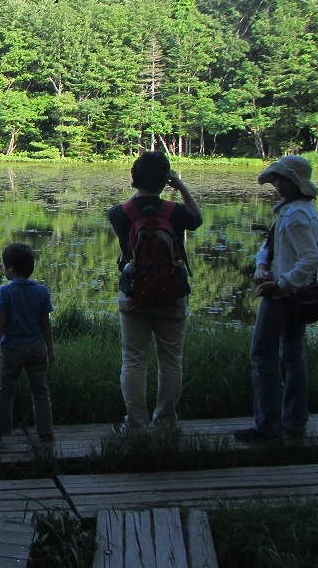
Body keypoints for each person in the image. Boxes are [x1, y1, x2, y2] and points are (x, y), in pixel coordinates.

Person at [108, 152, 202, 432]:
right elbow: (197, 218)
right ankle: (165, 424)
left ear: (134, 178)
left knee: (134, 362)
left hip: (133, 294)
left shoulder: (119, 213)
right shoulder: (176, 212)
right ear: (165, 180)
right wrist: (180, 186)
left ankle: (136, 426)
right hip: (173, 294)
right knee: (171, 362)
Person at [234, 155, 318, 443]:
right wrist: (262, 265)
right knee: (292, 356)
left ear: (298, 183)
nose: (277, 184)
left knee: (262, 356)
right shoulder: (296, 209)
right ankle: (294, 423)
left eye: (284, 179)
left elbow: (310, 259)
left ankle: (267, 427)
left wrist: (280, 284)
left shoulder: (295, 215)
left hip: (283, 296)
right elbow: (270, 246)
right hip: (297, 294)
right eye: (276, 179)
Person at [0, 243, 55, 447]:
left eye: (3, 265)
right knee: (40, 391)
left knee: (5, 391)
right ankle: (46, 434)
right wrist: (50, 349)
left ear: (11, 268)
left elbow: (0, 325)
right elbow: (45, 324)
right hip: (37, 347)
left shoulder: (5, 292)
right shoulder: (42, 292)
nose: (2, 268)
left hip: (12, 348)